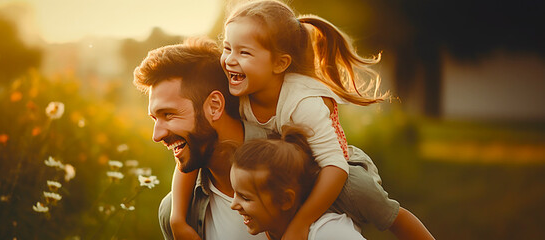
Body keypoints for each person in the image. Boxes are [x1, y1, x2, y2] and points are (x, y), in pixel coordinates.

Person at [219, 0, 435, 239]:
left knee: (364, 193)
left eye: (244, 52)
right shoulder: (239, 93)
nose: (229, 59)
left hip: (331, 169)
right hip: (290, 172)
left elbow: (335, 166)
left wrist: (302, 221)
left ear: (280, 63)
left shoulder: (302, 102)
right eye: (227, 48)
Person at [133, 37, 267, 240]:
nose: (156, 135)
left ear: (214, 106)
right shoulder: (178, 214)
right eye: (155, 118)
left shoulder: (296, 173)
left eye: (168, 114)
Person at [230, 124, 365, 240]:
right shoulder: (268, 230)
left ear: (285, 200)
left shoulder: (329, 233)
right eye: (235, 193)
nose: (233, 205)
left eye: (246, 198)